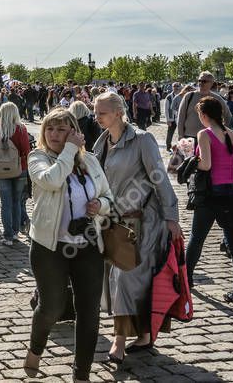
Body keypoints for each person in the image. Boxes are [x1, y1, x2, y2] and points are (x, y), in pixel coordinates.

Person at [24, 108, 112, 383]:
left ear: (74, 132)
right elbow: (51, 180)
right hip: (49, 247)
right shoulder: (37, 157)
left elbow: (109, 196)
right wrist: (69, 151)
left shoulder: (92, 162)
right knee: (51, 306)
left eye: (61, 129)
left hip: (86, 246)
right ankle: (35, 349)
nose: (54, 134)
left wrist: (101, 206)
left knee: (88, 310)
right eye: (50, 129)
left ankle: (81, 374)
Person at [93, 91, 181, 360]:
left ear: (118, 112)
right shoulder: (101, 142)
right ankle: (144, 335)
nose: (96, 117)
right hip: (112, 220)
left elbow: (159, 178)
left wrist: (171, 217)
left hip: (142, 221)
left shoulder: (143, 140)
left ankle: (119, 341)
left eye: (102, 113)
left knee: (126, 278)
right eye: (95, 112)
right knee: (127, 280)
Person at [183, 96, 233, 305]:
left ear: (203, 115)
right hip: (231, 194)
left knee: (197, 239)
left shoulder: (205, 134)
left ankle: (186, 279)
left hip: (210, 195)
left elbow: (206, 165)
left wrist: (189, 159)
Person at [0, 101, 31, 245]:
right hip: (20, 169)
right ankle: (15, 233)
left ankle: (8, 236)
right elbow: (26, 151)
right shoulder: (21, 129)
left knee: (6, 203)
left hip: (2, 171)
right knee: (17, 202)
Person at [177, 71, 232, 141]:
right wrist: (180, 136)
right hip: (190, 137)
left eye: (204, 81)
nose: (201, 83)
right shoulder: (189, 96)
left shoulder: (217, 98)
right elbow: (181, 117)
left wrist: (224, 133)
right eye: (199, 80)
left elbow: (228, 116)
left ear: (211, 83)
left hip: (211, 138)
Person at [163, 83, 183, 152]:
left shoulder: (182, 96)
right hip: (171, 119)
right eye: (174, 86)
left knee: (181, 133)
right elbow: (166, 109)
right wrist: (168, 119)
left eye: (177, 86)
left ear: (180, 87)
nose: (176, 88)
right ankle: (168, 147)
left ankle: (180, 146)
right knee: (170, 133)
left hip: (179, 118)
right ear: (172, 87)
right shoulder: (169, 97)